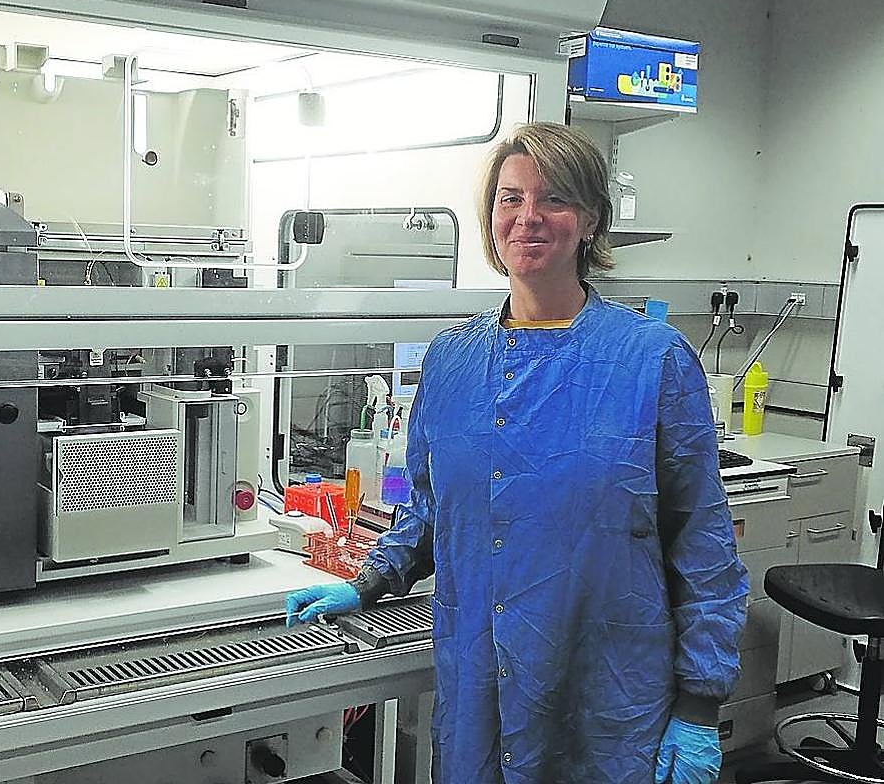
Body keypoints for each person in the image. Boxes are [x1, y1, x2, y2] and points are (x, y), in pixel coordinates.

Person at [286, 123, 748, 784]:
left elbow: (701, 545)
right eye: (510, 199)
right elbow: (429, 509)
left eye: (552, 199)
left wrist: (699, 705)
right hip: (479, 687)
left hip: (605, 696)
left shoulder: (650, 360)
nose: (527, 218)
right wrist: (367, 583)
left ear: (589, 220)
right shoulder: (451, 361)